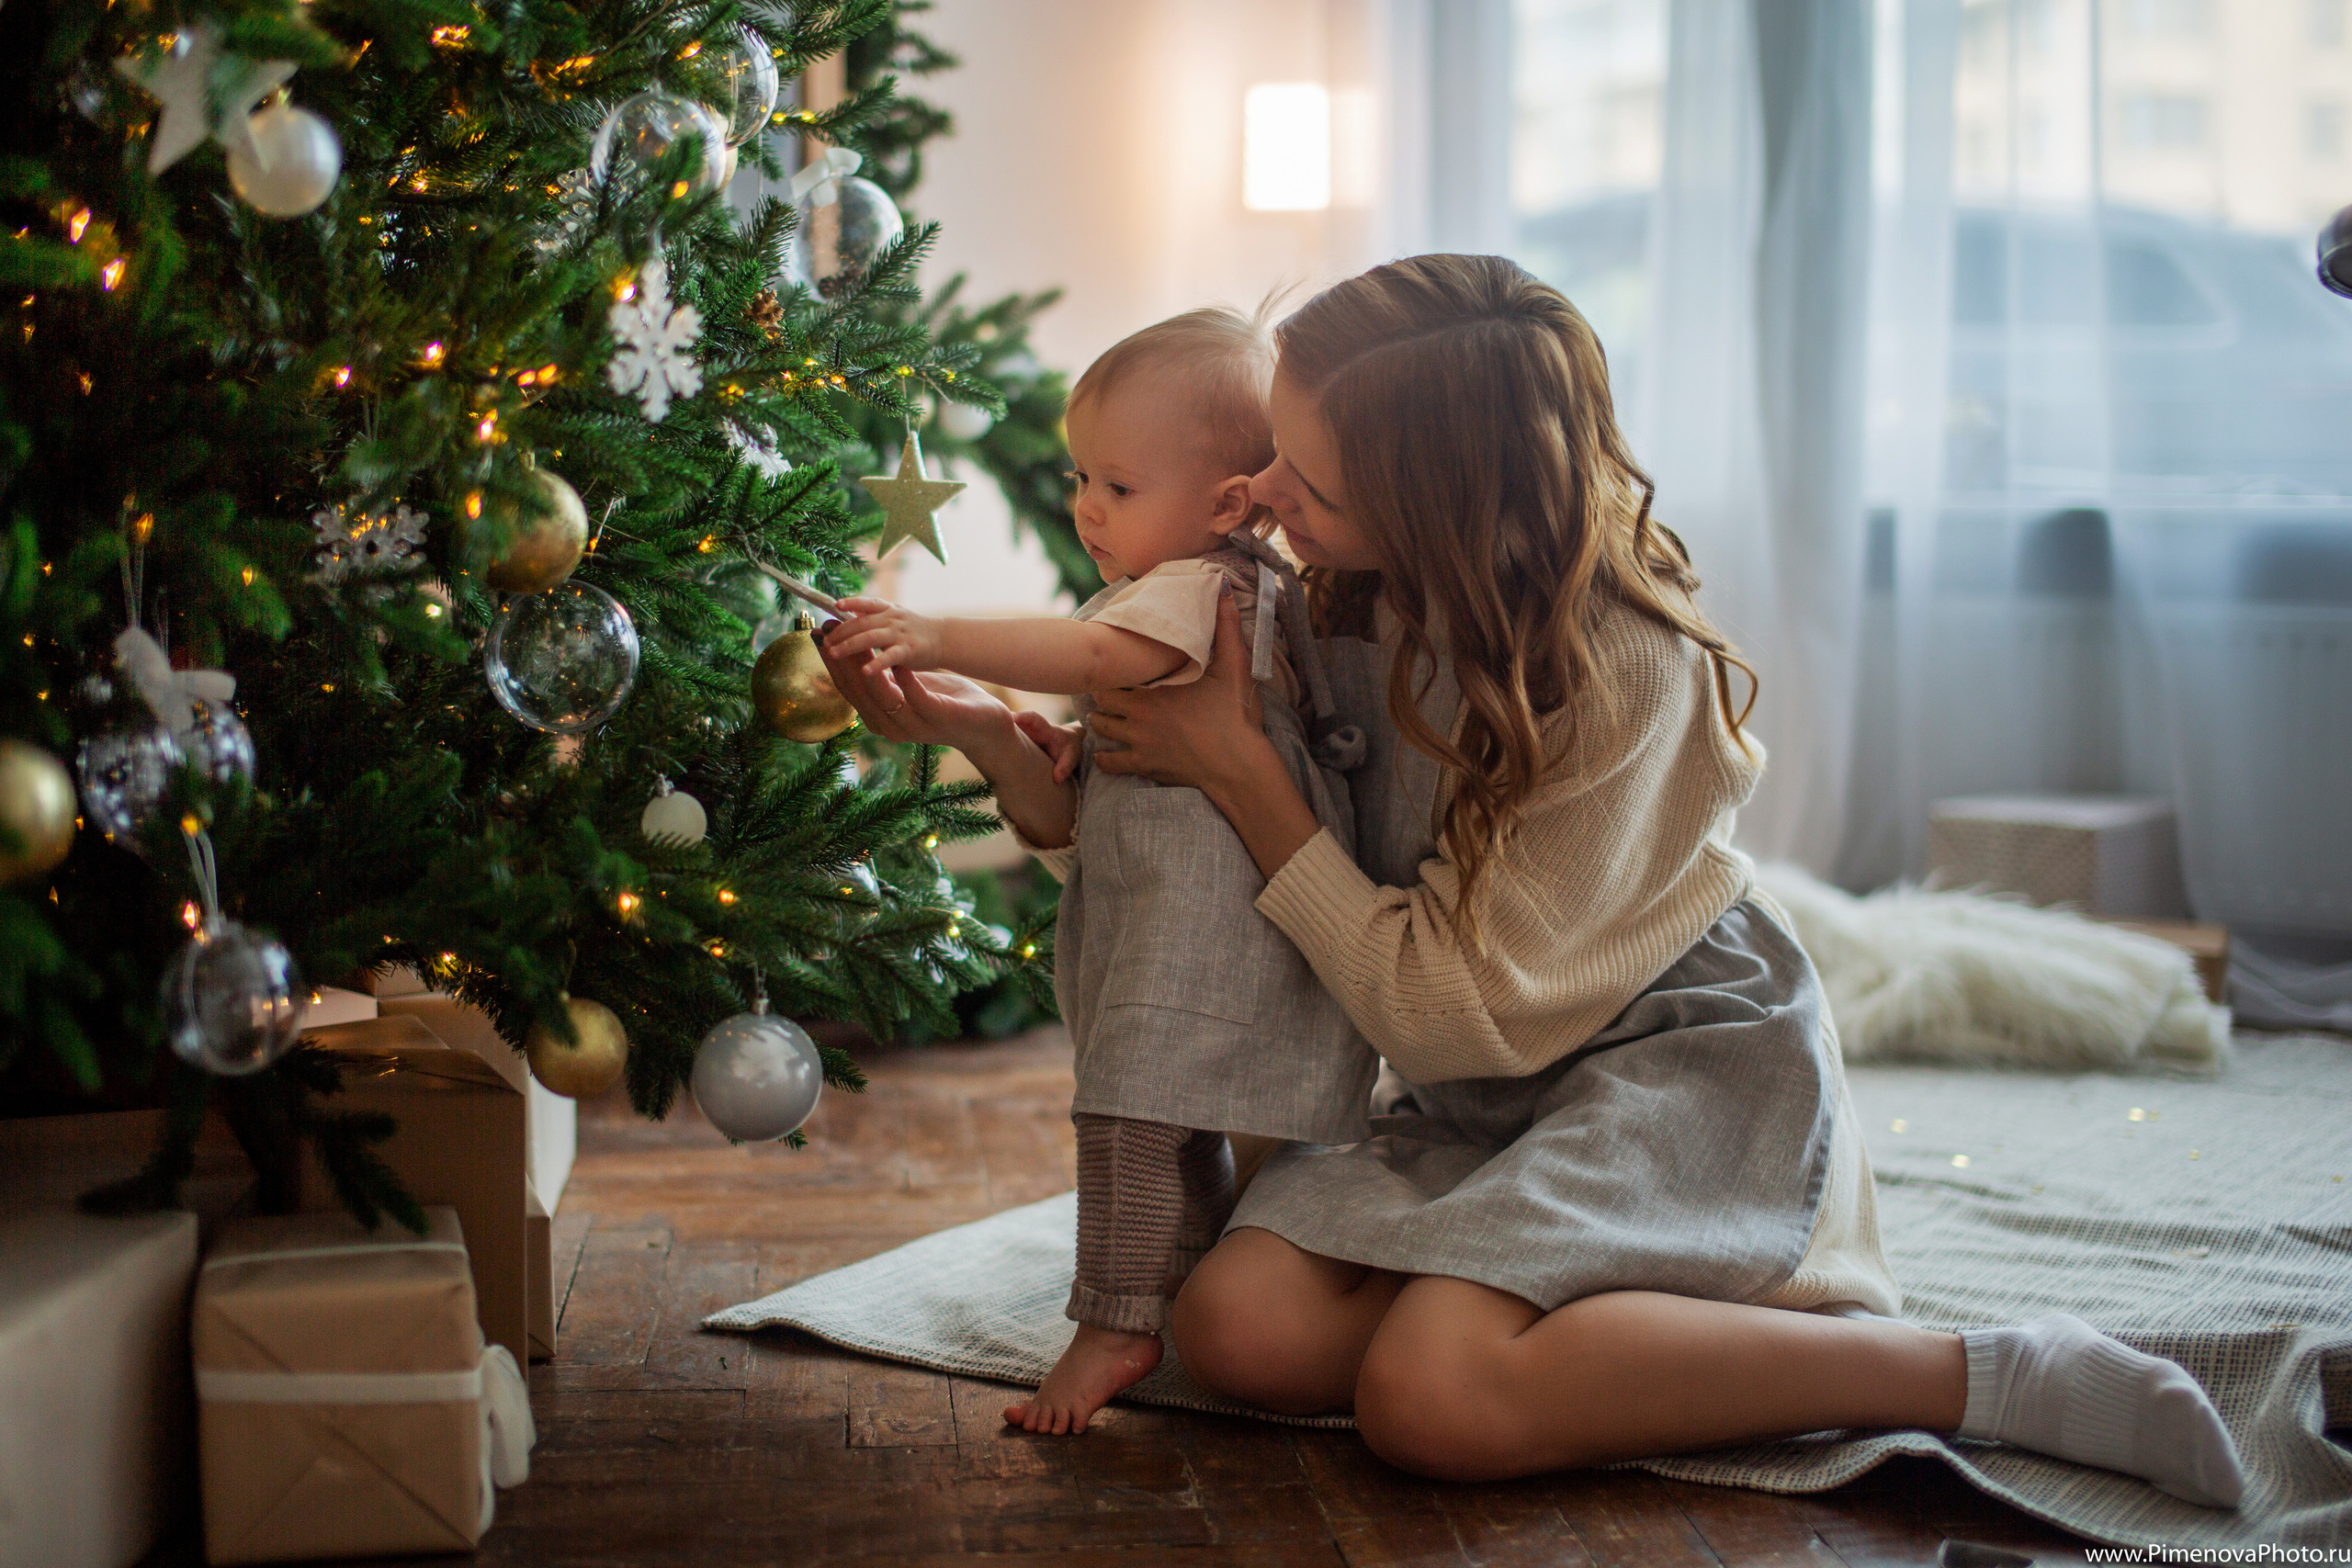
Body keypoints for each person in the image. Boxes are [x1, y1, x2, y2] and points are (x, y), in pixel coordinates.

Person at [819, 255, 2245, 1508]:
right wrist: (975, 724)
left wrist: (1242, 768)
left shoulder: (1627, 670)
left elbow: (1448, 1009)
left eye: (1299, 479)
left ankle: (1966, 1372)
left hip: (1669, 1064)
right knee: (1239, 1329)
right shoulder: (1321, 581)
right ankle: (1560, 1301)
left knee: (1433, 1398)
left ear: (1430, 495)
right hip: (1482, 1091)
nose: (1259, 500)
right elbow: (1164, 840)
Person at [822, 308, 1378, 1437]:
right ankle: (1172, 1281)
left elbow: (1086, 656)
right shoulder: (1207, 584)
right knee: (1179, 1123)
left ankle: (1115, 1320)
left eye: (1117, 486)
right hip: (1183, 912)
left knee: (1126, 1116)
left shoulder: (1199, 588)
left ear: (1227, 504)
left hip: (1202, 926)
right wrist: (990, 727)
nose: (1085, 507)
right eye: (1082, 476)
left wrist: (937, 634)